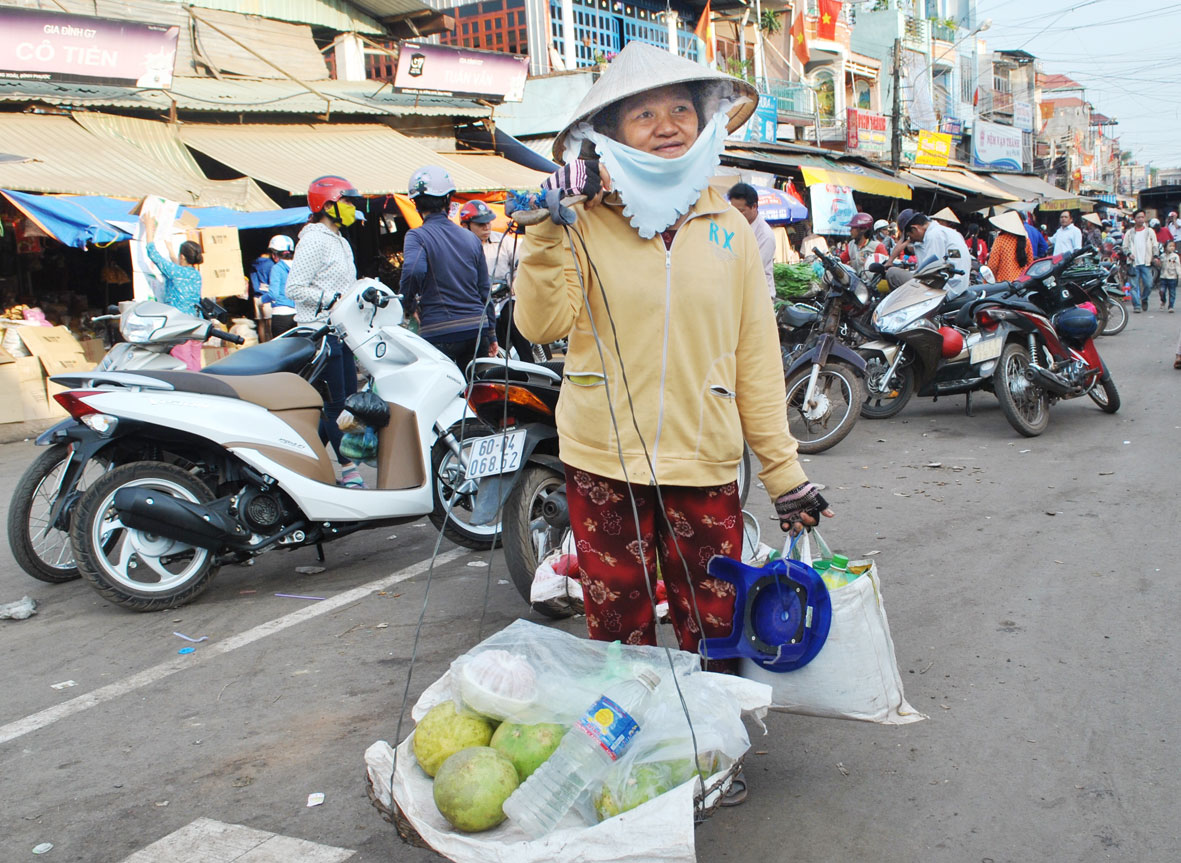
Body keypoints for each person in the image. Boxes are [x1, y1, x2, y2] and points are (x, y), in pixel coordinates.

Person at [513, 42, 833, 669]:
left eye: (681, 109)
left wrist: (784, 474)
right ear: (610, 134)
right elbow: (539, 322)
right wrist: (544, 230)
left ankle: (712, 753)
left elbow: (756, 362)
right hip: (602, 460)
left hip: (704, 459)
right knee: (618, 624)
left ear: (705, 118)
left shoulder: (732, 230)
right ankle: (634, 750)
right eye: (644, 114)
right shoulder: (580, 223)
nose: (666, 125)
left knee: (714, 620)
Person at [286, 174, 366, 489]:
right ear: (328, 204)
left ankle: (302, 463)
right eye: (346, 201)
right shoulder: (314, 239)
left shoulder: (341, 241)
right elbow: (294, 287)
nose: (351, 208)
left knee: (344, 402)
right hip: (319, 334)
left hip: (343, 332)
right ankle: (349, 471)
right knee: (336, 405)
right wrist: (327, 299)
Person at [400, 166, 497, 372]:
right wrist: (491, 335)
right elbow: (484, 290)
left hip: (438, 332)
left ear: (416, 203)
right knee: (475, 395)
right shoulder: (471, 238)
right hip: (475, 330)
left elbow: (413, 271)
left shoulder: (417, 236)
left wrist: (408, 305)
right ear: (449, 200)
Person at [459, 199, 531, 360]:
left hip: (506, 298)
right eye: (480, 224)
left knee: (514, 321)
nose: (487, 227)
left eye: (488, 223)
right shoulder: (460, 248)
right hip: (479, 305)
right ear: (466, 225)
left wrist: (516, 279)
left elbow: (524, 260)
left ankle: (531, 367)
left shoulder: (504, 240)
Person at [140, 214, 204, 370]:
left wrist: (149, 228)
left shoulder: (176, 272)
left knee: (182, 364)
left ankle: (188, 389)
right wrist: (170, 249)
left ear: (182, 256)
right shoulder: (196, 274)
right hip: (196, 324)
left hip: (179, 326)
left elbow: (153, 254)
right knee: (195, 363)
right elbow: (178, 268)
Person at [884, 208, 971, 296]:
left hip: (944, 290)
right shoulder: (949, 233)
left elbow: (929, 271)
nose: (911, 239)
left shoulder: (933, 235)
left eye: (909, 236)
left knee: (892, 273)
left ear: (915, 229)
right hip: (957, 287)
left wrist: (890, 262)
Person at [726, 182, 776, 298]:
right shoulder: (734, 226)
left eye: (741, 211)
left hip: (758, 297)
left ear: (754, 207)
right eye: (733, 210)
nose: (736, 215)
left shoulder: (765, 235)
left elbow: (752, 270)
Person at [256, 235, 296, 337]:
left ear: (274, 254)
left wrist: (261, 300)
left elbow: (273, 294)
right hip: (297, 314)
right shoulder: (298, 266)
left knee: (281, 350)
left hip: (281, 315)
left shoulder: (277, 268)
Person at [1122, 209, 1158, 313]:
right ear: (1134, 219)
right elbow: (1124, 247)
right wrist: (1129, 254)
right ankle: (1137, 306)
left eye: (1142, 217)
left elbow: (1155, 245)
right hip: (1133, 263)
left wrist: (1155, 256)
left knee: (1149, 284)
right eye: (1138, 217)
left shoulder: (1150, 231)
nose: (1141, 219)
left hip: (1146, 262)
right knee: (1134, 286)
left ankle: (1144, 299)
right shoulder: (1129, 233)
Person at [987, 210, 1035, 283]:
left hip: (1004, 285)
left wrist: (988, 280)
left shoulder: (1000, 240)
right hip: (1022, 283)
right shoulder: (1026, 240)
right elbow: (1030, 263)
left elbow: (993, 265)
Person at [1160, 240, 1179, 312]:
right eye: (1170, 246)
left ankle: (1171, 306)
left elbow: (1178, 266)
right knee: (1162, 291)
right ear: (1165, 247)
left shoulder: (1175, 256)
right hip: (1163, 277)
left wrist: (1179, 275)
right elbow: (1160, 266)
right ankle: (1163, 300)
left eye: (1173, 246)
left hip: (1172, 277)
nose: (1172, 248)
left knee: (1172, 292)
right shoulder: (1162, 256)